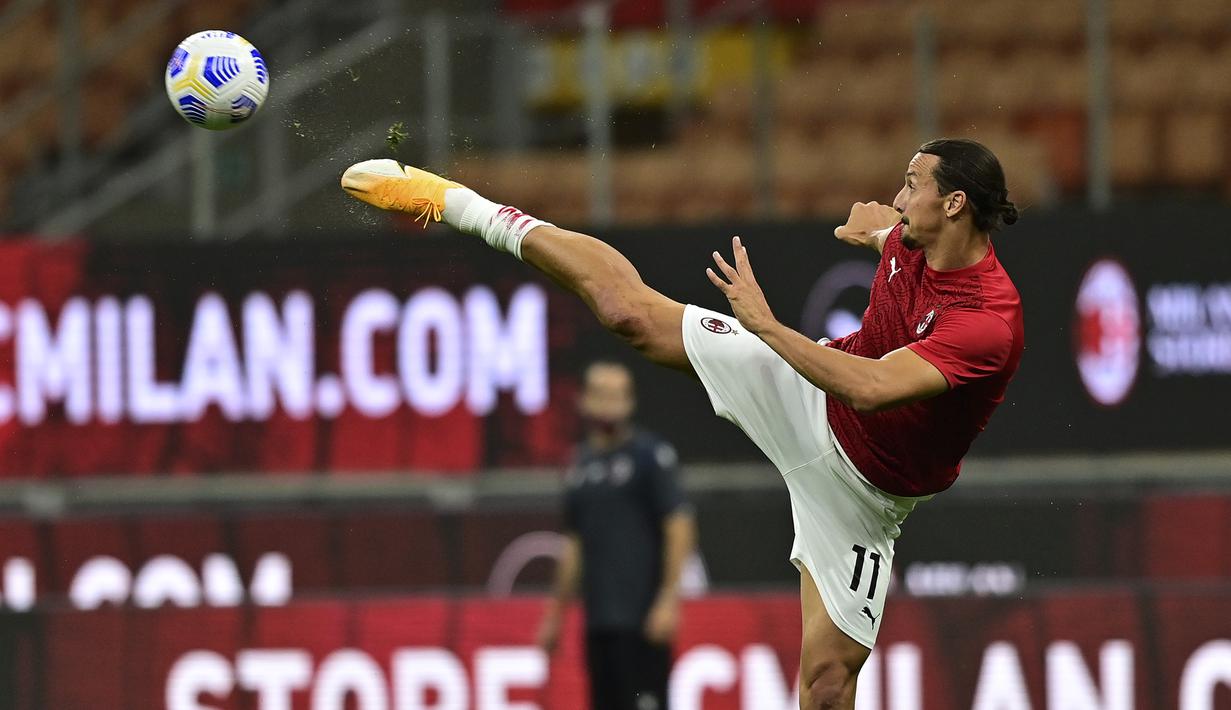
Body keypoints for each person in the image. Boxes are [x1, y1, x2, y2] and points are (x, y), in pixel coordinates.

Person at [340, 137, 1024, 710]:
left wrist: (764, 324)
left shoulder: (987, 322)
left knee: (823, 686)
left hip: (866, 496)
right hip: (807, 393)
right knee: (629, 315)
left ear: (954, 203)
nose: (899, 199)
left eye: (911, 186)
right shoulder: (908, 236)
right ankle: (457, 203)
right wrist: (872, 229)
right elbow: (887, 242)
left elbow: (872, 389)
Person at [535, 359, 696, 710]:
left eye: (617, 395)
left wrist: (668, 599)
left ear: (630, 401)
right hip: (599, 620)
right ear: (584, 400)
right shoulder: (579, 465)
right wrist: (556, 614)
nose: (609, 403)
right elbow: (575, 542)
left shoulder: (649, 456)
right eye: (601, 394)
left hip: (642, 619)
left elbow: (679, 524)